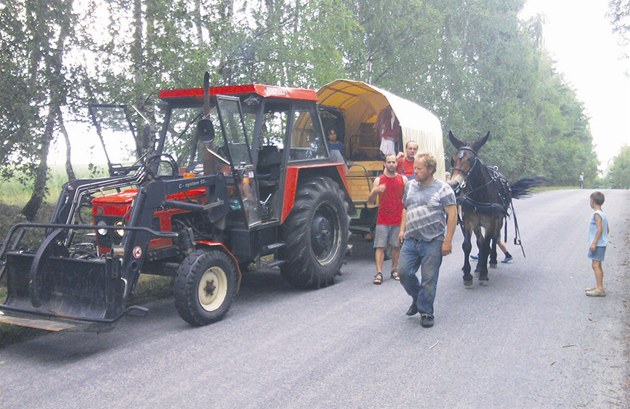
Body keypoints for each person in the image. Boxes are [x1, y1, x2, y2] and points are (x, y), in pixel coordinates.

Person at [397, 152, 457, 328]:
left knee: (428, 278)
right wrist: (402, 230)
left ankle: (426, 312)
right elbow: (405, 208)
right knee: (403, 272)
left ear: (430, 169)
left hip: (433, 240)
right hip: (411, 238)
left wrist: (447, 241)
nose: (415, 171)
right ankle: (418, 297)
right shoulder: (410, 186)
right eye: (414, 167)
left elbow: (452, 214)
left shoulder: (443, 189)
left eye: (419, 168)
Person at [367, 154, 408, 285]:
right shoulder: (379, 180)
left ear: (397, 163)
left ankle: (394, 270)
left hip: (398, 218)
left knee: (396, 246)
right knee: (380, 246)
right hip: (383, 219)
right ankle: (379, 273)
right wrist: (375, 191)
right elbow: (370, 201)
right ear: (385, 164)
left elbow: (407, 201)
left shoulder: (403, 180)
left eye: (393, 162)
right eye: (389, 162)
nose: (391, 164)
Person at [585, 191, 609, 297]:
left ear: (593, 201)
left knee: (595, 265)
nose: (590, 202)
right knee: (597, 265)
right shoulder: (602, 213)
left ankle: (599, 289)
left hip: (598, 244)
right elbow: (607, 229)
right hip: (601, 243)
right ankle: (599, 286)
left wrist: (594, 243)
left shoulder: (596, 214)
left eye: (590, 200)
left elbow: (600, 229)